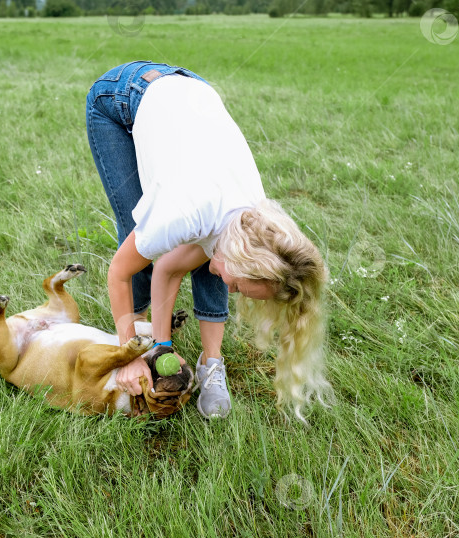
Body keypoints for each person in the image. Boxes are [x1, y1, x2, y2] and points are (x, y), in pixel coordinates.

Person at [85, 60, 333, 422]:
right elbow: (119, 272)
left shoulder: (254, 222)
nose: (234, 293)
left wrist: (163, 346)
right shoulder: (184, 214)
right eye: (242, 287)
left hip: (191, 99)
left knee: (212, 260)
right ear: (245, 260)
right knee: (135, 232)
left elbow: (171, 269)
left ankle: (210, 362)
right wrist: (131, 353)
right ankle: (132, 334)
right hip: (124, 96)